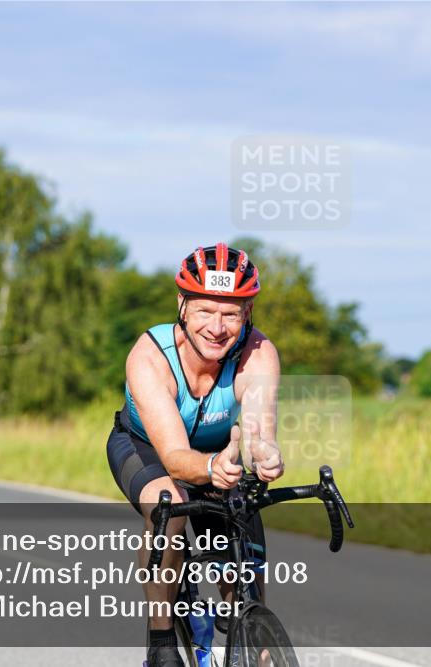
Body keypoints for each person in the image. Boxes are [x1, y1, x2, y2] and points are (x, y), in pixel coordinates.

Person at [107, 243, 285, 667]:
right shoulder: (150, 357)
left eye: (231, 314)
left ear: (248, 313)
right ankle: (162, 640)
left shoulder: (258, 353)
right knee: (169, 506)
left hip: (220, 453)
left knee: (239, 537)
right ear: (182, 306)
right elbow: (173, 456)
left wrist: (265, 454)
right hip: (146, 448)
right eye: (205, 311)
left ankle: (246, 635)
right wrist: (208, 467)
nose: (217, 327)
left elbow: (258, 427)